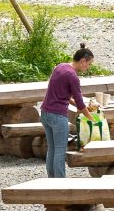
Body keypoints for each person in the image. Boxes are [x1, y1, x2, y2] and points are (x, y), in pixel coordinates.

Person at [38, 44, 94, 179]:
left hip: (45, 113)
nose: (88, 67)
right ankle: (60, 183)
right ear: (83, 61)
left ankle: (52, 180)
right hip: (58, 116)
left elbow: (64, 95)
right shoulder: (73, 76)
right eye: (89, 64)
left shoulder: (60, 67)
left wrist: (78, 106)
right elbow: (81, 103)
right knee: (60, 150)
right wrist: (91, 118)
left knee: (51, 148)